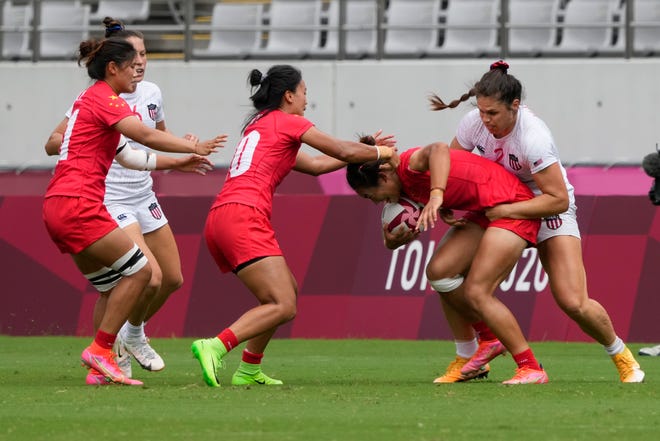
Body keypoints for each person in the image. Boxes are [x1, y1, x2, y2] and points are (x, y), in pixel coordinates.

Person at [427, 60, 644, 383]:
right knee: (442, 272)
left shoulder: (534, 137)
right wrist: (445, 198)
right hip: (497, 204)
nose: (485, 121)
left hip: (542, 209)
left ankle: (621, 356)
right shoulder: (474, 122)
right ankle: (474, 351)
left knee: (573, 301)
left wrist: (508, 212)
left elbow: (559, 199)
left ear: (515, 106)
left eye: (493, 114)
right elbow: (454, 165)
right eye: (482, 112)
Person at [190, 64, 397, 388]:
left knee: (286, 291)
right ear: (289, 95)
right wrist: (381, 152)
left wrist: (364, 152)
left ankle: (249, 369)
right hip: (244, 216)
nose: (306, 101)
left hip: (223, 216)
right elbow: (341, 149)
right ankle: (215, 346)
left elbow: (315, 165)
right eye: (304, 94)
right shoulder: (289, 122)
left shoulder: (260, 127)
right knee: (283, 304)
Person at [42, 36, 225, 385]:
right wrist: (196, 145)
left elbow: (130, 154)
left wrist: (181, 159)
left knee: (114, 290)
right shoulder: (105, 99)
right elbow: (146, 135)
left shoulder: (91, 101)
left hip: (58, 205)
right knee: (143, 274)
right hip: (82, 204)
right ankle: (103, 349)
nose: (137, 69)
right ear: (113, 68)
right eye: (131, 64)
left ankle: (102, 368)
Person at [347, 137, 548, 384]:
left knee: (477, 291)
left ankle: (530, 367)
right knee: (439, 272)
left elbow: (440, 148)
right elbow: (391, 240)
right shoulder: (405, 190)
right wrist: (394, 240)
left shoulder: (410, 164)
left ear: (385, 178)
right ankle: (481, 345)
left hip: (514, 207)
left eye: (371, 196)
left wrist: (437, 195)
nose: (378, 202)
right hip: (487, 212)